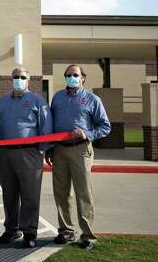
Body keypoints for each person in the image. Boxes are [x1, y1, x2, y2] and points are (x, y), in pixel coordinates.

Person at [46, 64, 111, 250]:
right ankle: (66, 231)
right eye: (68, 75)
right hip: (59, 150)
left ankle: (88, 235)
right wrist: (50, 149)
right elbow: (51, 126)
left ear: (83, 78)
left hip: (80, 150)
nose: (72, 77)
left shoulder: (92, 99)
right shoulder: (57, 98)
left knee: (83, 193)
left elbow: (105, 127)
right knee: (61, 192)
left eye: (75, 75)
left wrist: (86, 134)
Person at [0, 67, 52, 248]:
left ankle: (30, 232)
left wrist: (43, 150)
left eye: (22, 77)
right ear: (11, 79)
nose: (18, 79)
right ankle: (11, 229)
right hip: (5, 153)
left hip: (29, 153)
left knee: (30, 194)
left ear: (29, 80)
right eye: (15, 77)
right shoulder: (2, 102)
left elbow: (46, 127)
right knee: (9, 194)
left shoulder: (37, 101)